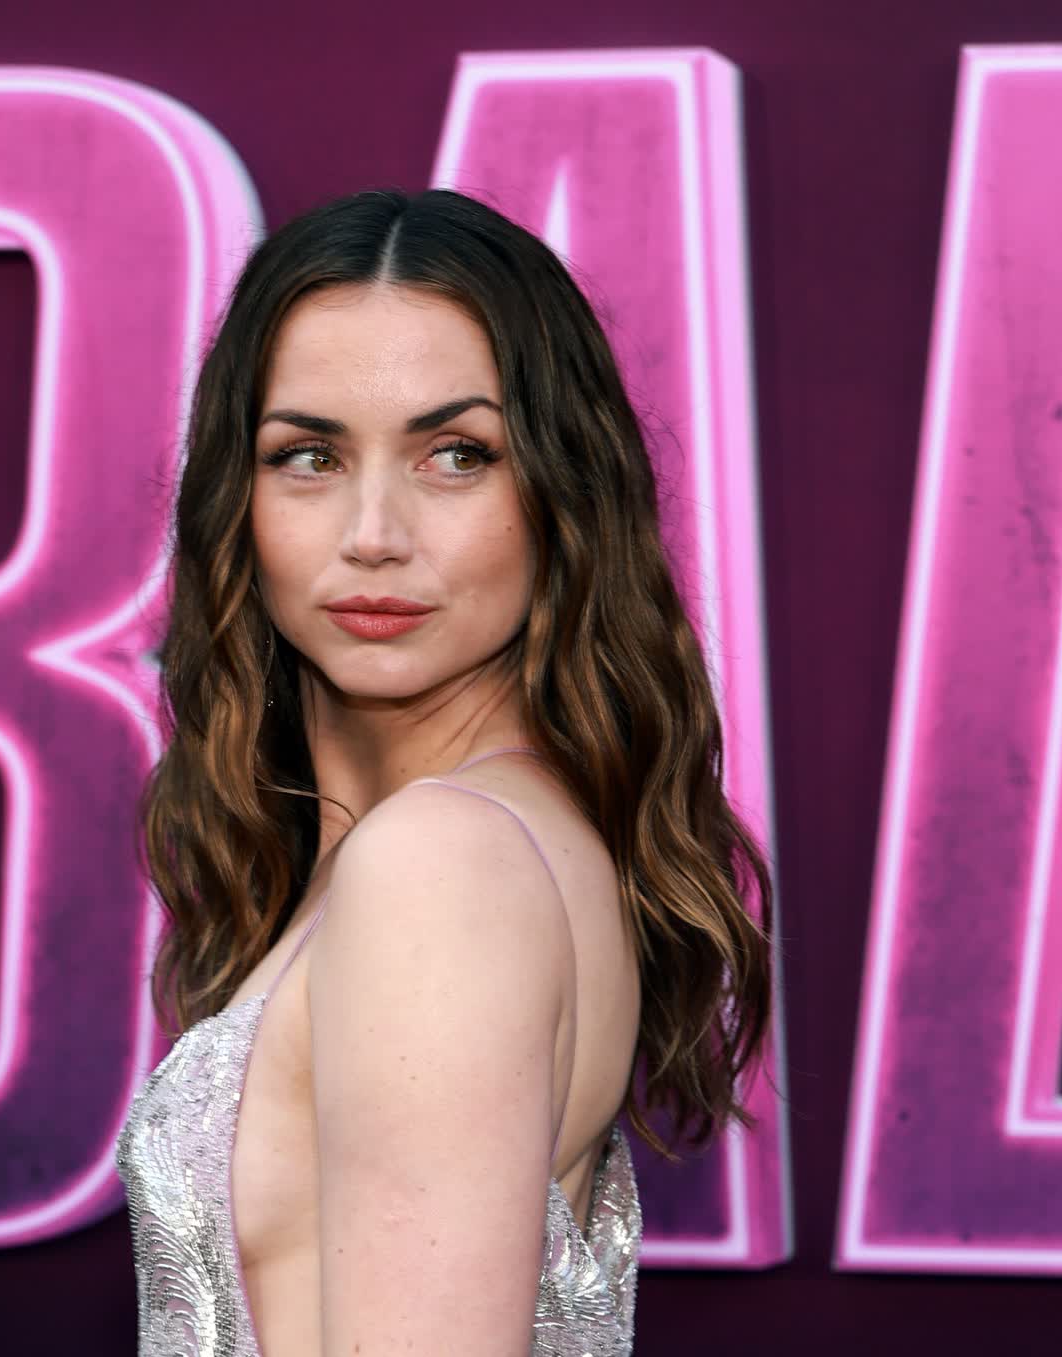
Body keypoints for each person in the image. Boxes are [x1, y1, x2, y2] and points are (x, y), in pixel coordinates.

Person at [115, 187, 775, 1357]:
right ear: (238, 499)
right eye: (308, 455)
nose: (374, 531)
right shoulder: (488, 836)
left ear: (562, 494)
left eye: (457, 455)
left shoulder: (441, 863)